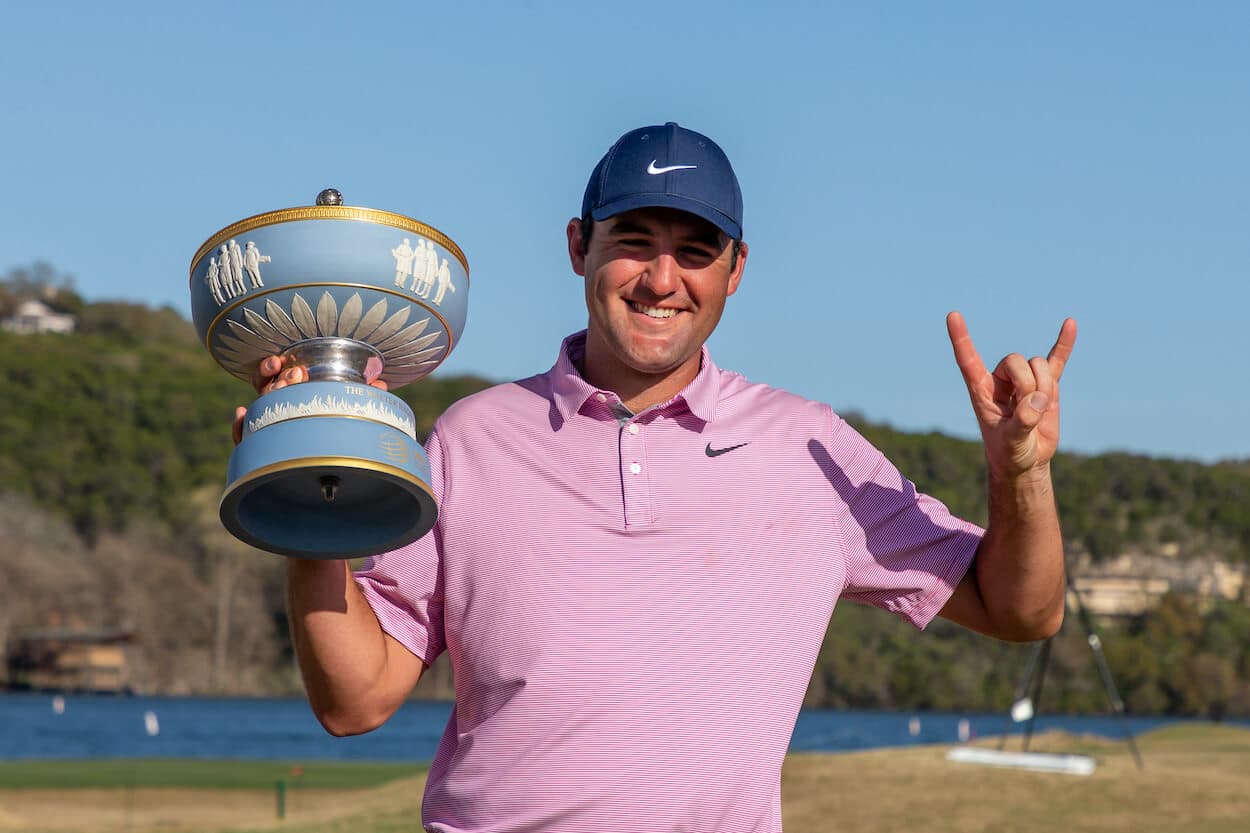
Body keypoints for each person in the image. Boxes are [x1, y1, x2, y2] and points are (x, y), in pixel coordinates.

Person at [238, 121, 1076, 832]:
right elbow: (356, 699)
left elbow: (1023, 608)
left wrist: (1022, 473)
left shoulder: (808, 448)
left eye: (695, 250)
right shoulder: (470, 438)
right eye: (633, 241)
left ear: (735, 268)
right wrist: (308, 497)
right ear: (578, 245)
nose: (662, 278)